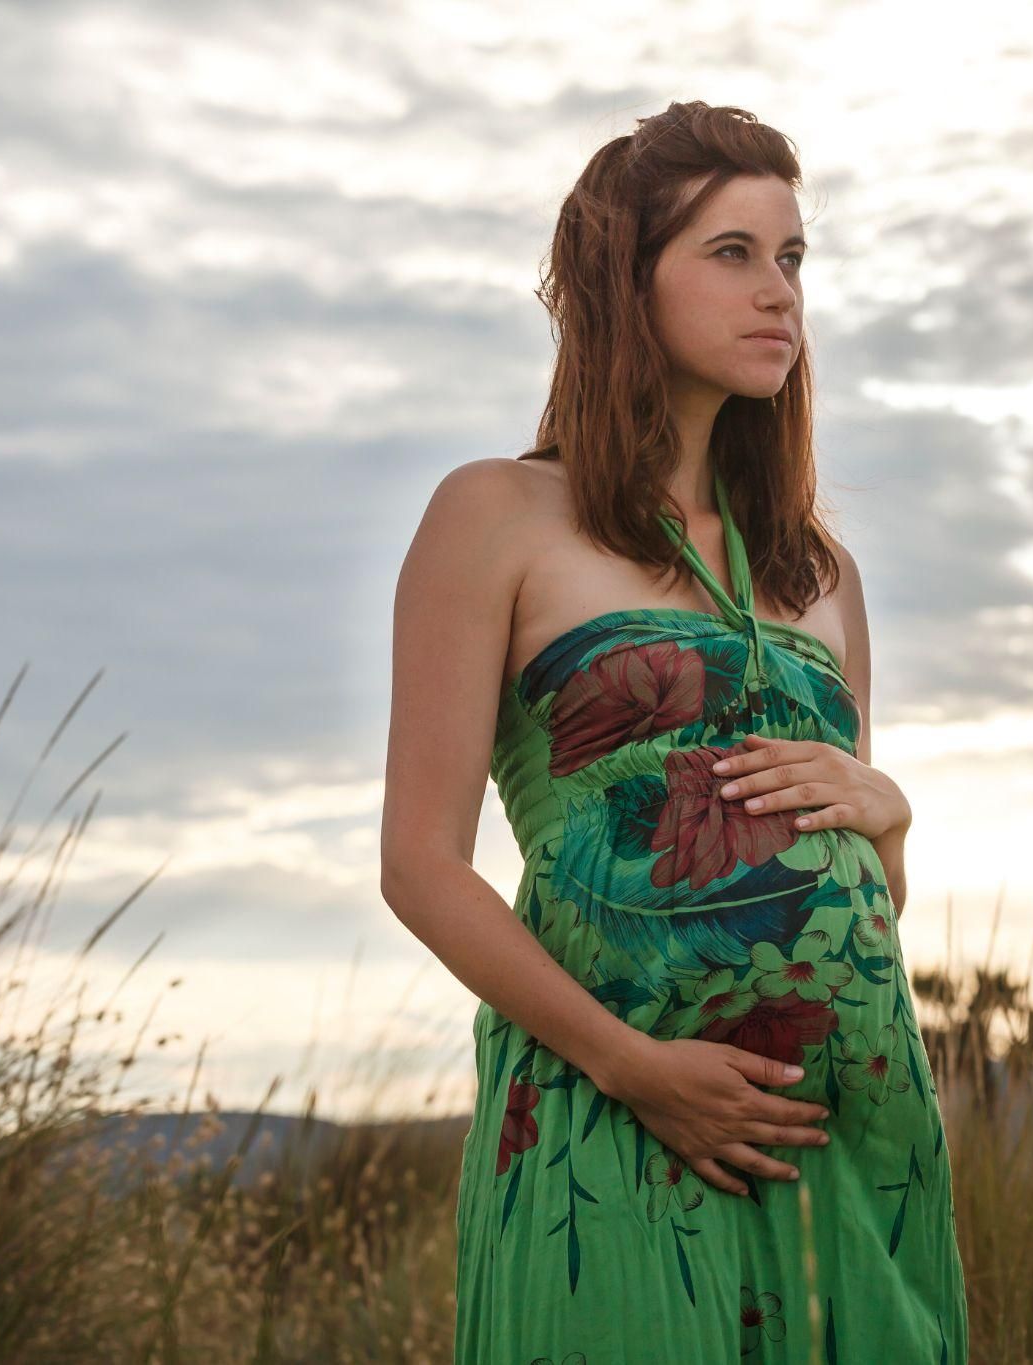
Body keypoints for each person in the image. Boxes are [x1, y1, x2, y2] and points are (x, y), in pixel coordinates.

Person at [380, 101, 971, 1362]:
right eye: (730, 252)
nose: (779, 294)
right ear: (619, 283)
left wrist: (890, 813)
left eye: (792, 259)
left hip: (844, 1137)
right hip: (615, 1108)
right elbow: (419, 867)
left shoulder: (820, 575)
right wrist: (632, 1066)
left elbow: (866, 896)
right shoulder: (496, 515)